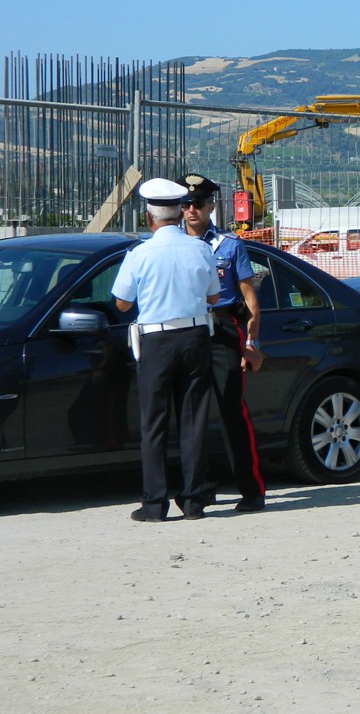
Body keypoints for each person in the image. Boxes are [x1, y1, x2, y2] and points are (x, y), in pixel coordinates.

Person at [112, 178, 220, 521]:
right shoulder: (201, 249)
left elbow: (122, 303)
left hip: (156, 341)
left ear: (149, 218)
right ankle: (193, 501)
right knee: (193, 420)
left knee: (154, 423)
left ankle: (154, 503)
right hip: (194, 336)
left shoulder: (139, 254)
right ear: (178, 213)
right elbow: (214, 296)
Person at [176, 173, 267, 513]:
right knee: (191, 413)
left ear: (211, 205)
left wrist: (253, 343)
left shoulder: (229, 245)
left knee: (232, 410)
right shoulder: (174, 244)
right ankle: (198, 492)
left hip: (223, 328)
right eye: (185, 204)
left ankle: (252, 490)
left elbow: (249, 298)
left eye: (197, 203)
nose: (190, 210)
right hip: (186, 330)